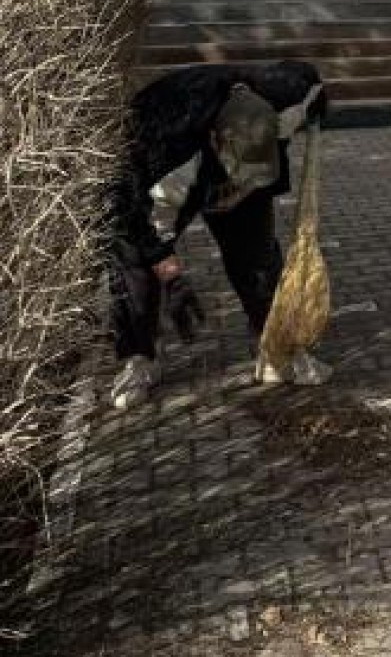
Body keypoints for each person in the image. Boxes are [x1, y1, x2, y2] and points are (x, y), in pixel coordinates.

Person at [108, 59, 328, 410]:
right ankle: (140, 358)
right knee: (134, 261)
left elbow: (312, 85)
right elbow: (132, 218)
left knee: (257, 257)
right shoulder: (164, 152)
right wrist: (172, 278)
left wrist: (317, 113)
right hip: (168, 170)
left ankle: (277, 346)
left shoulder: (284, 95)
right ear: (216, 141)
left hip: (232, 153)